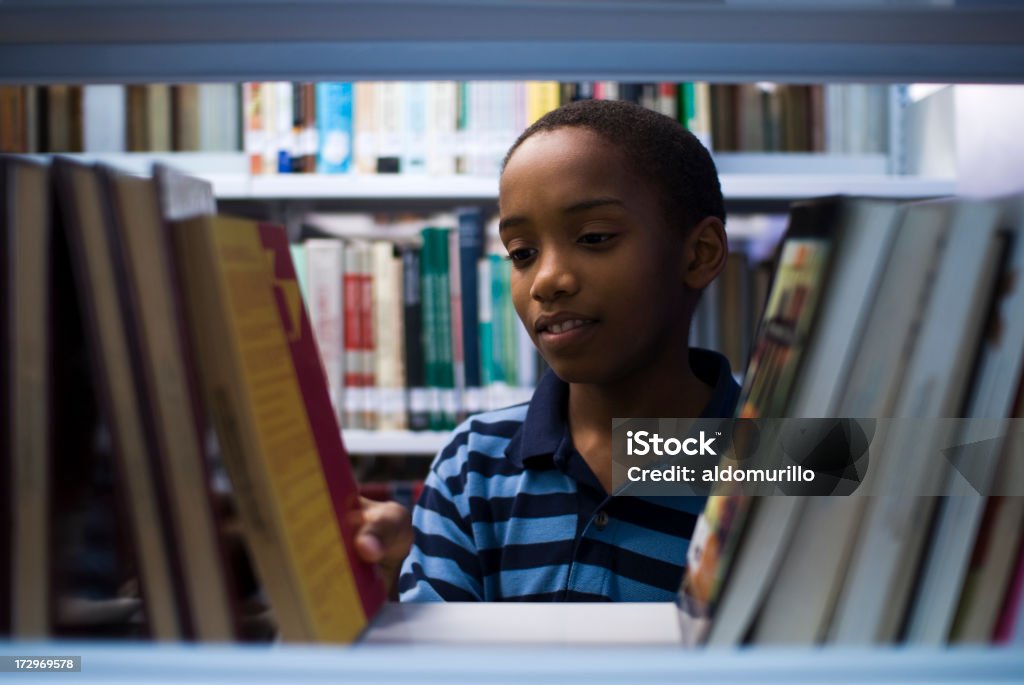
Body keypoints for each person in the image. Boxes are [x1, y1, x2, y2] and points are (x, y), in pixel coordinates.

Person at [353, 98, 740, 601]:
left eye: (594, 237)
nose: (547, 281)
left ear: (701, 253)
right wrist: (380, 606)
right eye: (522, 254)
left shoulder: (786, 459)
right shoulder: (473, 465)